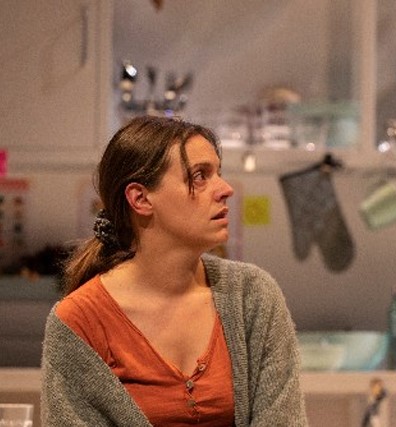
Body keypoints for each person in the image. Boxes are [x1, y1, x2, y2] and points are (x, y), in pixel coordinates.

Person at [41, 115, 307, 426]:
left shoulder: (251, 295)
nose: (225, 189)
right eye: (199, 176)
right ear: (141, 198)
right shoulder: (79, 322)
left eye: (218, 173)